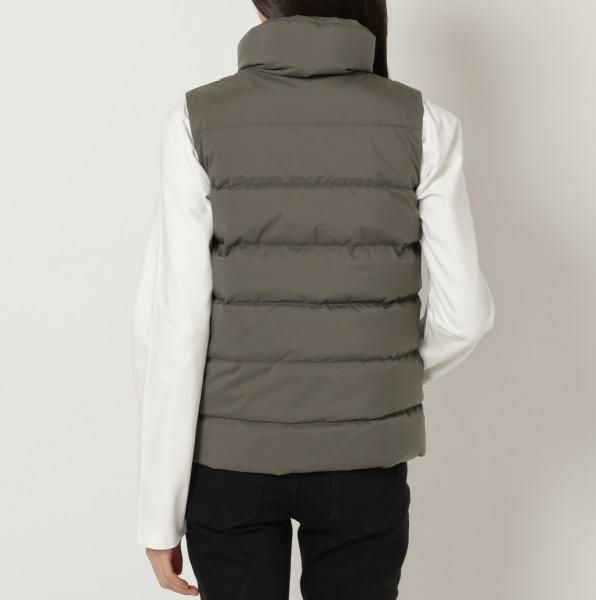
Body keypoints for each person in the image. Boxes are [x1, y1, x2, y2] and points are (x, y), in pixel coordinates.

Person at [132, 1, 495, 598]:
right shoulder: (425, 124)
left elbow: (173, 325)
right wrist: (377, 380)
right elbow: (466, 318)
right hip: (365, 466)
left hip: (231, 465)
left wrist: (159, 513)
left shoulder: (197, 120)